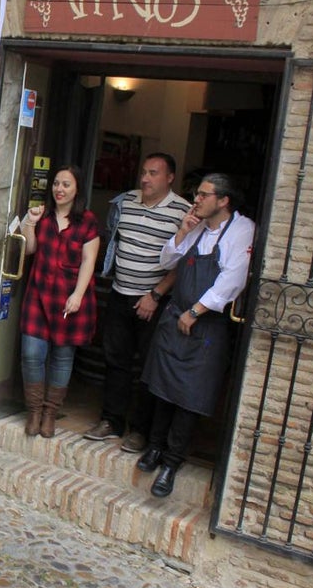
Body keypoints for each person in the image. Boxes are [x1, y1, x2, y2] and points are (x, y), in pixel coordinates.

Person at [138, 173, 255, 498]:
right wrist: (183, 231)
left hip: (205, 325)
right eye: (196, 194)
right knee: (162, 388)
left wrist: (196, 311)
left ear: (223, 200)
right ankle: (155, 447)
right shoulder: (197, 226)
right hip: (176, 318)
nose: (196, 200)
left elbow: (233, 280)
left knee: (190, 397)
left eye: (203, 195)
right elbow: (168, 261)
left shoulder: (242, 230)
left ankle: (172, 463)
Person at [84, 153, 190, 452]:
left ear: (169, 177)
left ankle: (140, 431)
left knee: (148, 367)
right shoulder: (124, 202)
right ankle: (112, 421)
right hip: (120, 294)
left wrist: (155, 295)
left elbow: (182, 262)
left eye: (153, 173)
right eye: (143, 172)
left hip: (153, 302)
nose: (145, 178)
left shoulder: (183, 211)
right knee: (115, 359)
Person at [18, 164, 100, 439]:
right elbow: (29, 250)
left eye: (66, 184)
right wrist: (30, 222)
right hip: (39, 295)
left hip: (69, 298)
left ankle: (50, 412)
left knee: (62, 358)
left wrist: (77, 294)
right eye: (56, 184)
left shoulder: (87, 221)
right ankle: (34, 411)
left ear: (77, 189)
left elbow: (90, 260)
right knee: (32, 354)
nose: (59, 189)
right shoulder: (42, 217)